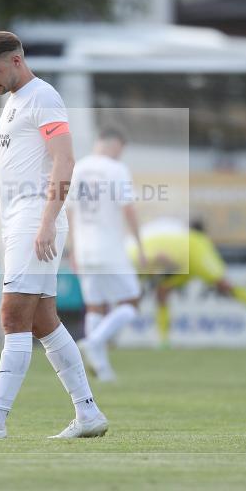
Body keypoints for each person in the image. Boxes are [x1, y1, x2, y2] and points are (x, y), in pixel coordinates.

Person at [0, 31, 107, 440]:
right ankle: (88, 415)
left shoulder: (43, 97)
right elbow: (8, 168)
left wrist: (47, 221)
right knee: (42, 321)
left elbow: (65, 161)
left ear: (16, 60)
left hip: (35, 219)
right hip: (20, 219)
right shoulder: (14, 102)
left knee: (12, 316)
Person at [66, 127, 144, 382]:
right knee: (131, 303)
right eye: (120, 150)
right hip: (110, 248)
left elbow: (70, 212)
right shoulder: (116, 169)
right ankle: (93, 341)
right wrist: (140, 245)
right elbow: (128, 209)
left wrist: (73, 250)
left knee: (95, 307)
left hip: (85, 249)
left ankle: (102, 369)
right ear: (113, 145)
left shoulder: (77, 169)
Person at [133, 219, 246, 346]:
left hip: (195, 254)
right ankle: (163, 341)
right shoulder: (174, 238)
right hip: (183, 261)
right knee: (162, 291)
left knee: (224, 285)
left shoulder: (195, 241)